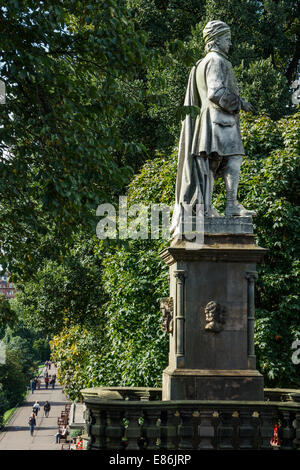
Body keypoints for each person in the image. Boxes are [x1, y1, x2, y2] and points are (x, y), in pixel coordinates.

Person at [171, 20, 255, 236]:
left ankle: (206, 208)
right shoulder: (217, 61)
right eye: (227, 39)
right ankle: (231, 204)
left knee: (210, 165)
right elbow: (215, 92)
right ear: (216, 40)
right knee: (234, 159)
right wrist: (240, 104)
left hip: (206, 122)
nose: (230, 43)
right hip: (220, 120)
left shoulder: (200, 64)